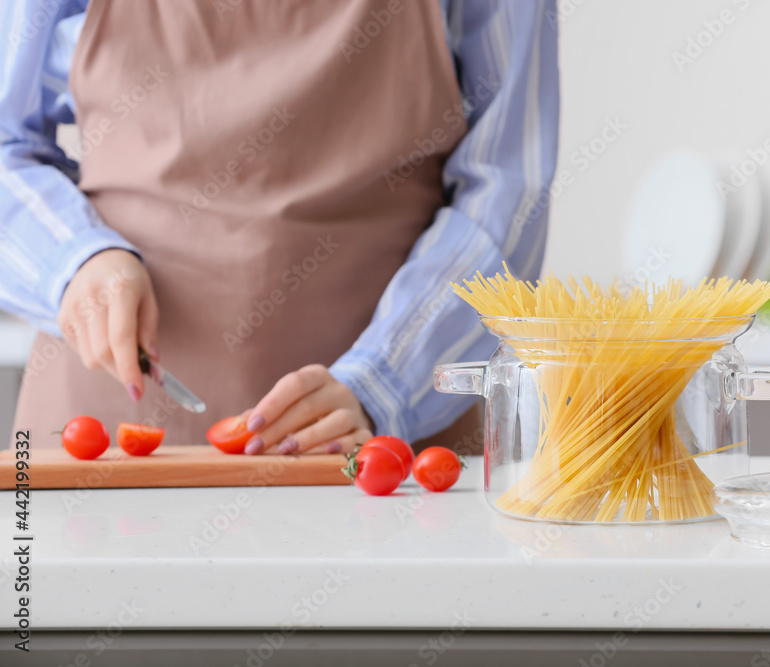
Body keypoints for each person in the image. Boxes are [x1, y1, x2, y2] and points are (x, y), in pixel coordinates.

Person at [0, 0, 559, 455]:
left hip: (378, 451)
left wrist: (384, 385)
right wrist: (73, 259)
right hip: (103, 441)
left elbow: (509, 186)